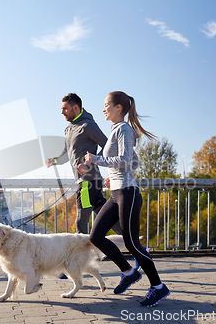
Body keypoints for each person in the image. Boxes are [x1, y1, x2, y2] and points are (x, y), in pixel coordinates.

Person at [78, 91, 170, 307]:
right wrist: (106, 173)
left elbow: (125, 160)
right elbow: (134, 163)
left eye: (106, 105)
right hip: (117, 192)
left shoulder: (125, 129)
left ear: (118, 107)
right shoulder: (116, 130)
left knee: (132, 243)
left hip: (128, 193)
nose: (103, 109)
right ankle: (128, 272)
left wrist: (97, 159)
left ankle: (158, 287)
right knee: (96, 236)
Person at [45, 93, 122, 235]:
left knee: (81, 222)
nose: (62, 112)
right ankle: (137, 246)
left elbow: (107, 146)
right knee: (107, 219)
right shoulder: (69, 129)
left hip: (87, 181)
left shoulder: (88, 126)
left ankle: (86, 256)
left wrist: (90, 164)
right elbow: (66, 155)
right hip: (88, 182)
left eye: (65, 109)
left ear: (75, 107)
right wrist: (53, 161)